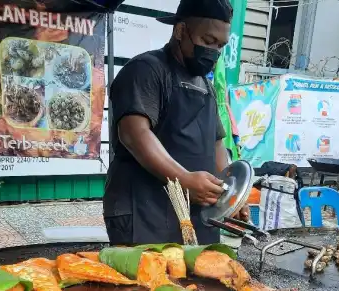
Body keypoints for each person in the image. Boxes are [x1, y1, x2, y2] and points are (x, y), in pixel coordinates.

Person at [103, 0, 248, 245]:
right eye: (208, 41)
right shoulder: (146, 70)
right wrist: (183, 179)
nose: (213, 52)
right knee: (143, 282)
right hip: (144, 210)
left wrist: (227, 198)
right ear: (180, 31)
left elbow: (216, 145)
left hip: (192, 214)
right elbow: (133, 133)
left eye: (220, 46)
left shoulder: (207, 86)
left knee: (198, 280)